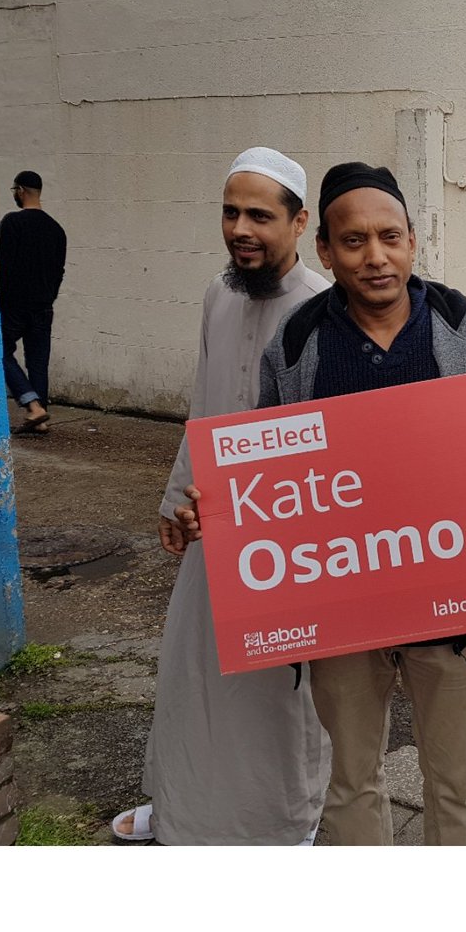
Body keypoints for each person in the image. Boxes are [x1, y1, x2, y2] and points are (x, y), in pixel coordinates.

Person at [249, 161, 466, 846]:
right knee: (351, 782)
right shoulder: (296, 346)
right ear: (324, 250)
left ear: (413, 241)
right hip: (344, 608)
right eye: (353, 240)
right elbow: (266, 476)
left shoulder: (464, 326)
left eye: (390, 236)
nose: (375, 256)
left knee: (456, 784)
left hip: (451, 608)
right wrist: (219, 510)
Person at [113, 147, 331, 845]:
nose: (241, 229)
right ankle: (186, 811)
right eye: (231, 213)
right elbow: (203, 408)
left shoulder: (324, 310)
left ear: (299, 223)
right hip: (211, 523)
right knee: (196, 675)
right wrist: (174, 499)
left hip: (286, 541)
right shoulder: (217, 294)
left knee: (279, 691)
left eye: (260, 216)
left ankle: (287, 824)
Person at [0, 170, 67, 436]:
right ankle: (41, 420)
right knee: (38, 362)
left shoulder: (12, 222)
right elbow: (59, 271)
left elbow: (3, 266)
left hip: (14, 305)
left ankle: (33, 405)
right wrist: (49, 297)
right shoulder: (56, 229)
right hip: (43, 306)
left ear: (21, 191)